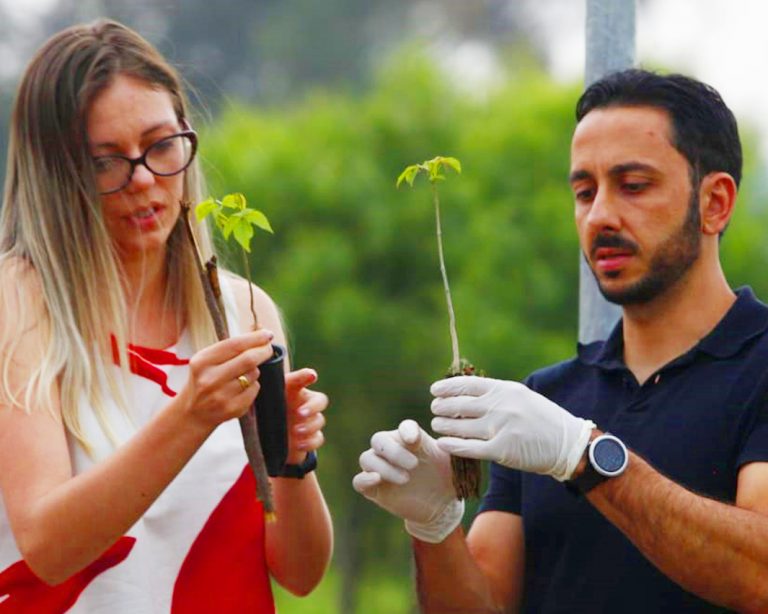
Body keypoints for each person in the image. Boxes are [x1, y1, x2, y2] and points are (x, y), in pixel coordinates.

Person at [354, 68, 768, 612]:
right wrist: (434, 527)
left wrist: (584, 455)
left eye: (634, 185)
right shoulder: (546, 399)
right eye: (583, 191)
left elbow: (759, 574)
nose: (599, 215)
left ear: (714, 202)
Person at [0, 19, 332, 613]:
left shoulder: (242, 310)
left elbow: (300, 574)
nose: (145, 180)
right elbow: (47, 548)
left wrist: (296, 460)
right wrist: (190, 415)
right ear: (57, 175)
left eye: (160, 145)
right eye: (106, 162)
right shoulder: (18, 302)